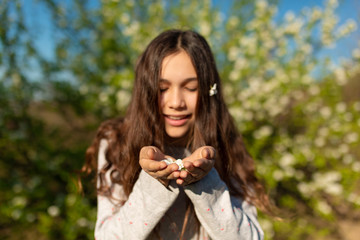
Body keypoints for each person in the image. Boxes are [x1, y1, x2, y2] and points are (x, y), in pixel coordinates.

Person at [83, 29, 273, 240]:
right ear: (145, 90)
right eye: (162, 88)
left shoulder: (226, 143)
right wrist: (154, 183)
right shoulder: (115, 143)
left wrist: (206, 182)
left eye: (191, 88)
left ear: (209, 91)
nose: (176, 103)